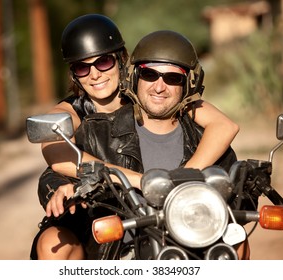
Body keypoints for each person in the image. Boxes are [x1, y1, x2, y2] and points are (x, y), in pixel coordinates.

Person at [31, 28, 249, 260]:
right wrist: (139, 181)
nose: (94, 74)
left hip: (183, 219)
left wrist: (181, 177)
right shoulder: (78, 113)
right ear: (74, 74)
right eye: (83, 67)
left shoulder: (155, 92)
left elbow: (224, 126)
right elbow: (57, 156)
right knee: (53, 241)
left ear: (122, 61)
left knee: (236, 239)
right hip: (115, 219)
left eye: (103, 62)